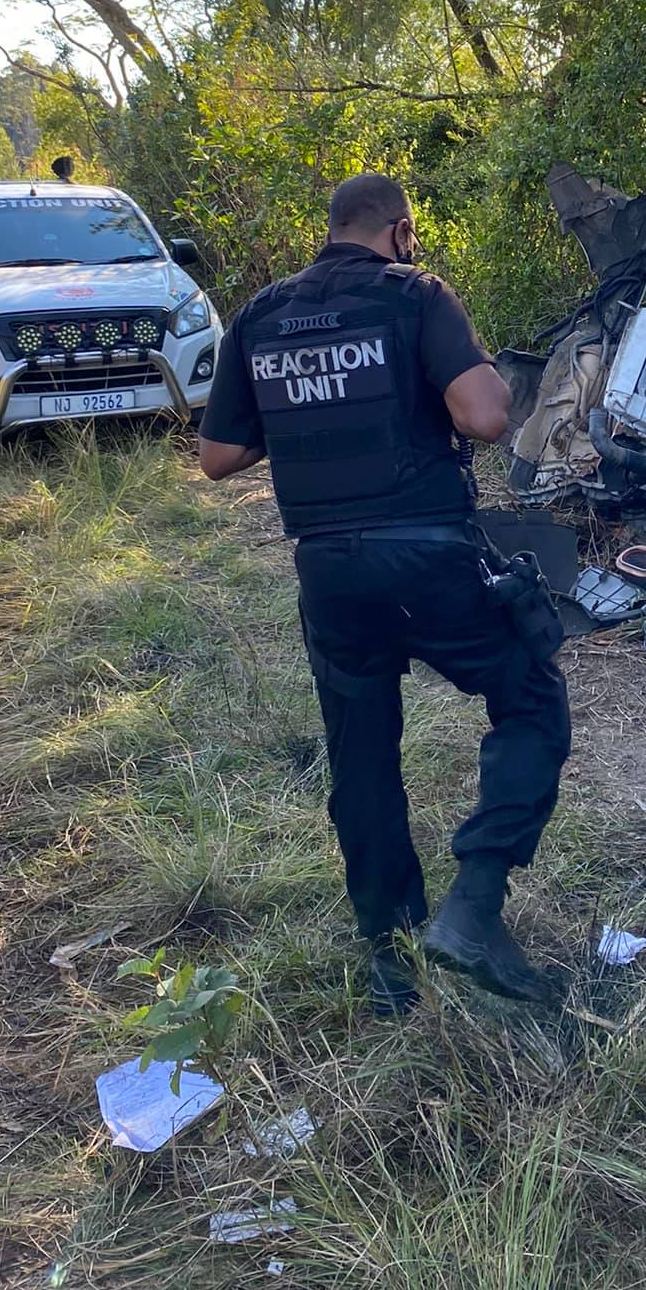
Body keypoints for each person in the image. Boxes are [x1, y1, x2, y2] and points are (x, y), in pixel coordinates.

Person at [197, 173, 571, 1015]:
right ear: (400, 231)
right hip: (428, 558)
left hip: (329, 574)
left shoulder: (261, 315)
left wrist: (302, 415)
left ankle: (391, 960)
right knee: (531, 699)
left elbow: (216, 456)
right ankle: (474, 907)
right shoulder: (419, 296)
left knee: (361, 756)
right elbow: (482, 418)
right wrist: (492, 384)